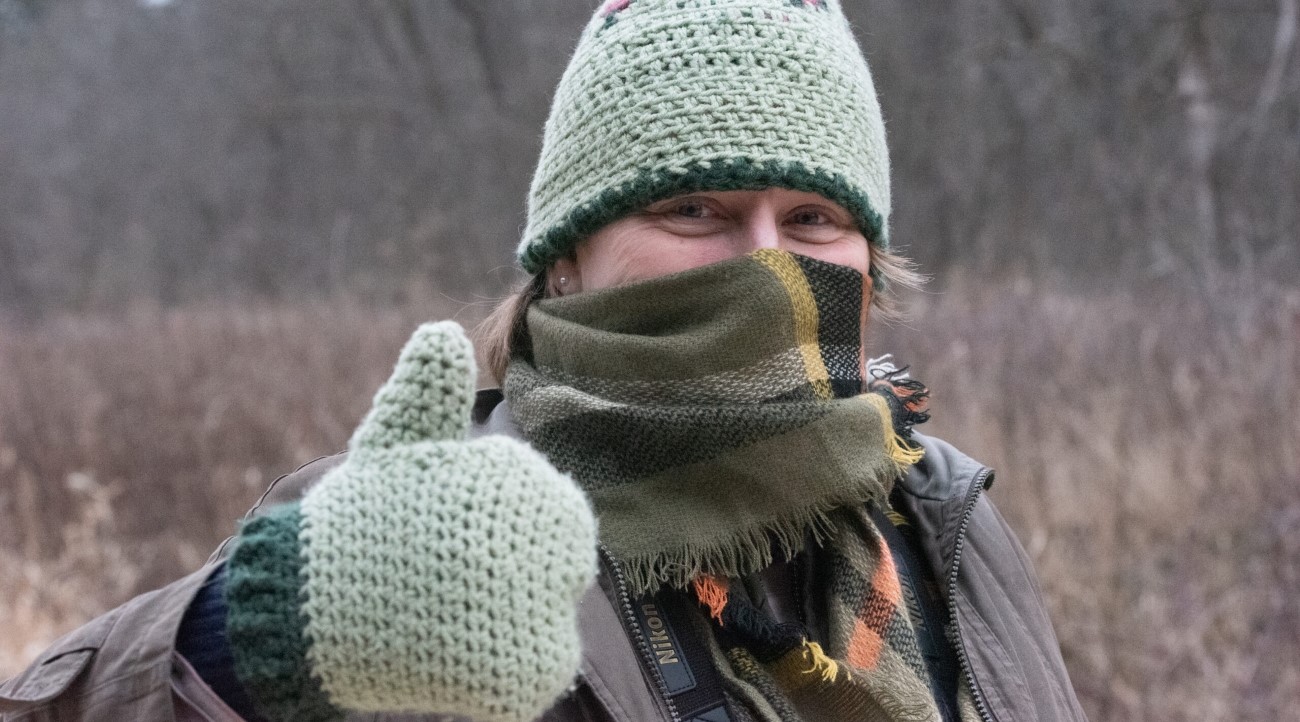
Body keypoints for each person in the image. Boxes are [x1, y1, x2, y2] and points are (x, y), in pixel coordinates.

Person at [0, 1, 1088, 721]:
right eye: (693, 206)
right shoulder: (425, 522)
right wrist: (245, 638)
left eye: (810, 217)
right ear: (565, 259)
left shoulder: (944, 515)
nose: (762, 259)